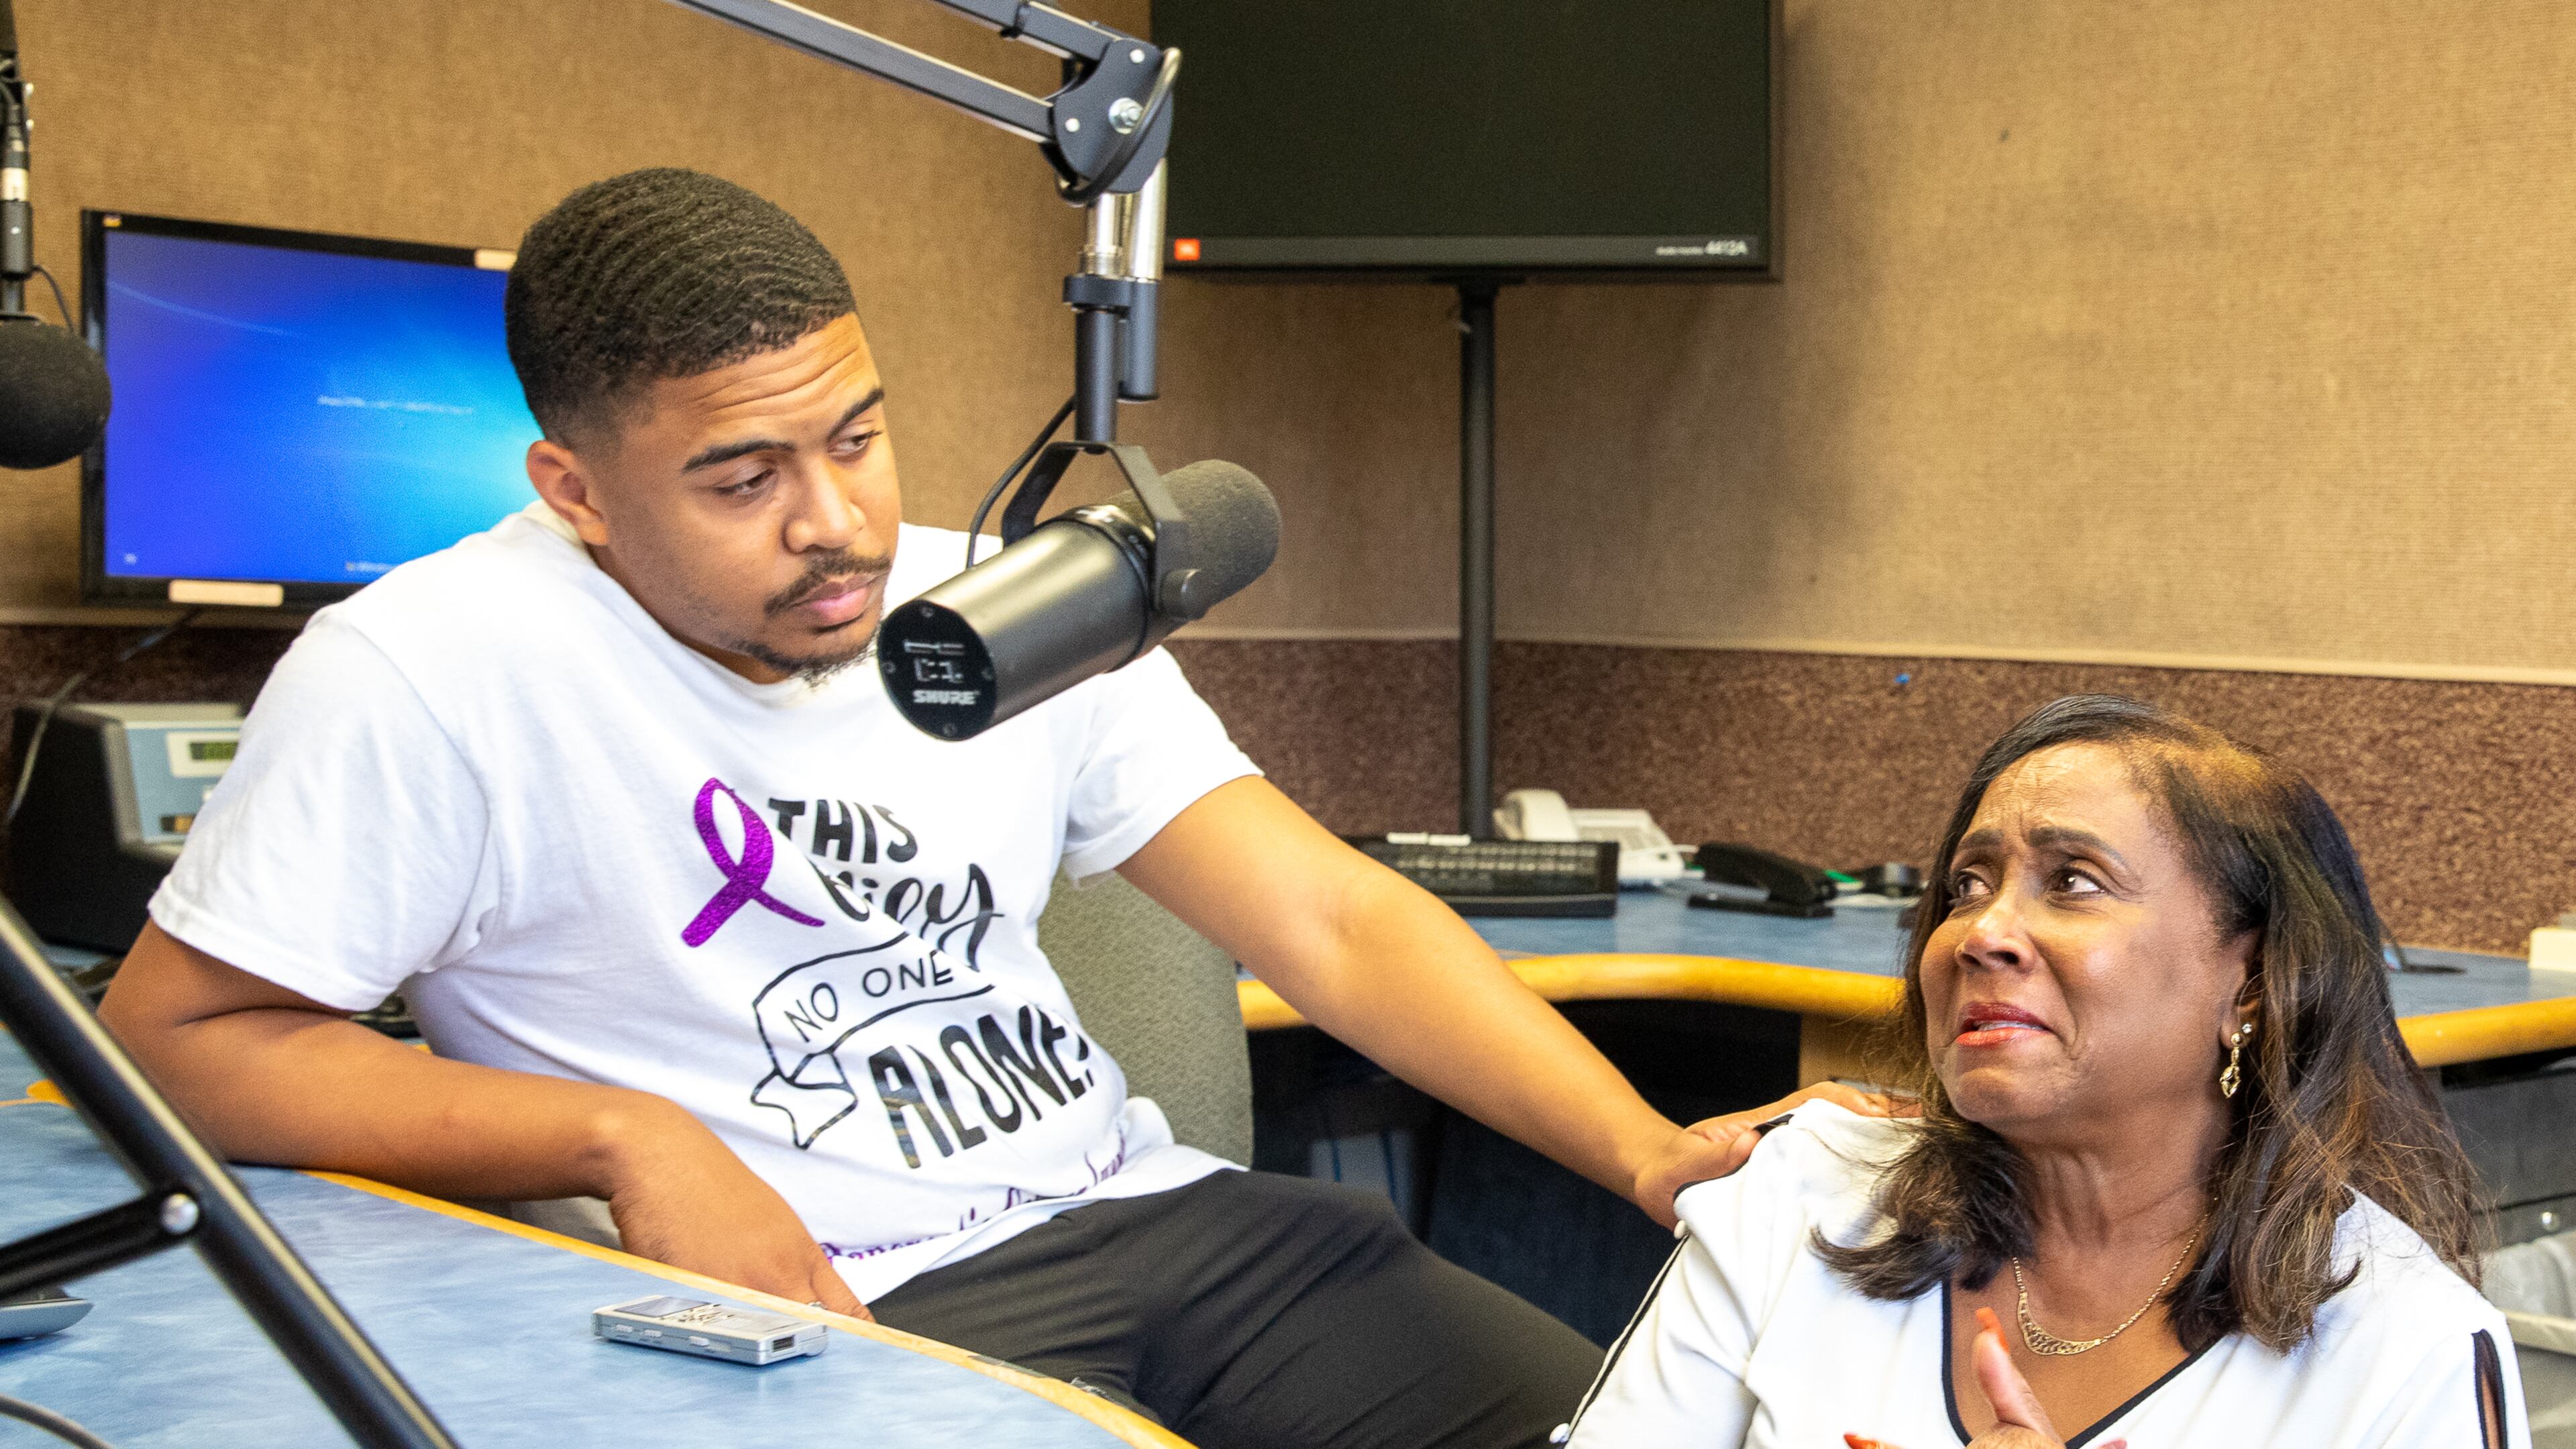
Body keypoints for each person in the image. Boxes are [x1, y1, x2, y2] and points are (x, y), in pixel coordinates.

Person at [92, 168, 1864, 1449]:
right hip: (846, 1305)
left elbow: (1327, 918)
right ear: (577, 489)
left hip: (1167, 1223)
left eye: (857, 438)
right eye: (742, 478)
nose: (839, 526)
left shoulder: (1010, 608)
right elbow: (182, 1044)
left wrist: (1643, 1152)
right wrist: (627, 1140)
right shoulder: (430, 668)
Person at [1562, 694, 2527, 1448]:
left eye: (2073, 882)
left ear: (2256, 986)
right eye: (1967, 885)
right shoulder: (1797, 1195)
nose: (1981, 933)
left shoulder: (2409, 1351)